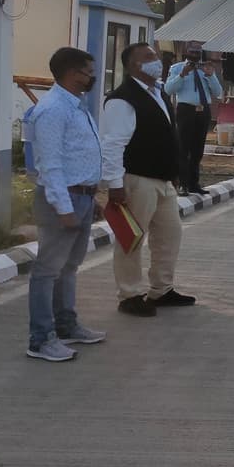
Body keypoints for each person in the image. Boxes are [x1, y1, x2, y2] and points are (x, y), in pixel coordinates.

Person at [24, 47, 108, 361]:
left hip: (81, 197)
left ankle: (66, 326)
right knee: (47, 271)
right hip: (63, 199)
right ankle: (41, 339)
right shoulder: (54, 109)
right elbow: (51, 164)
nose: (92, 77)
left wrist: (91, 195)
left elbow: (80, 154)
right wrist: (64, 207)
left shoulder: (76, 106)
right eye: (89, 71)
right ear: (74, 74)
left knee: (68, 268)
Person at [102, 43, 196, 317]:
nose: (156, 61)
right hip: (137, 179)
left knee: (169, 235)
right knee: (131, 238)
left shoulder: (159, 93)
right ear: (133, 66)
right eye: (148, 57)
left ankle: (161, 290)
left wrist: (175, 170)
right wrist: (115, 183)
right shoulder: (123, 99)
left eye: (155, 56)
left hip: (163, 179)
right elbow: (112, 145)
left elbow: (167, 134)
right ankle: (129, 293)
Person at [164, 41, 223, 197]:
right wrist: (182, 74)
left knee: (198, 150)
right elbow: (168, 89)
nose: (195, 56)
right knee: (184, 149)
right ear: (186, 52)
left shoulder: (206, 69)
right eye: (192, 52)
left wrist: (211, 75)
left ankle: (193, 183)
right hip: (186, 110)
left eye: (198, 53)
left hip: (203, 111)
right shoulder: (177, 68)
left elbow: (218, 93)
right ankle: (182, 183)